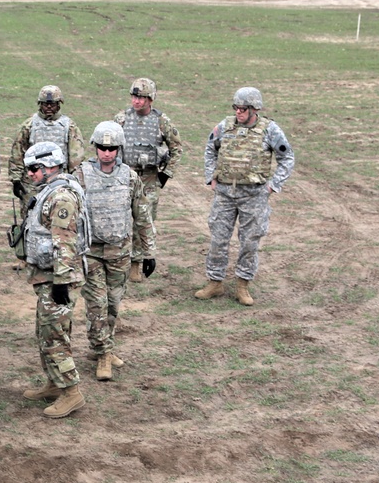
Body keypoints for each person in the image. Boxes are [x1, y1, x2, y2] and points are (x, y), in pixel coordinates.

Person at [195, 87, 294, 306]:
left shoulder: (270, 130)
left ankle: (243, 285)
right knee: (218, 239)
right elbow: (210, 149)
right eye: (236, 108)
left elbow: (287, 158)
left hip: (254, 196)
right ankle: (215, 281)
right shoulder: (225, 126)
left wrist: (273, 186)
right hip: (225, 194)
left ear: (254, 109)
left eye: (243, 109)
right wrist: (210, 176)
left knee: (249, 241)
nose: (238, 112)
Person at [73, 121, 156, 381]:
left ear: (119, 149)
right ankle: (104, 354)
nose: (106, 153)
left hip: (120, 252)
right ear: (95, 147)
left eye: (112, 148)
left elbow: (142, 216)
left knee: (113, 305)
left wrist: (148, 252)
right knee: (96, 304)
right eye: (102, 147)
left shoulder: (130, 177)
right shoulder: (81, 176)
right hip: (91, 253)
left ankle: (103, 345)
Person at [18, 142, 90, 418]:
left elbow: (65, 242)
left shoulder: (61, 197)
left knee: (55, 335)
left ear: (50, 166)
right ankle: (54, 382)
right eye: (29, 168)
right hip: (48, 275)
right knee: (45, 332)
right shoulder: (48, 192)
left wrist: (61, 281)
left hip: (59, 278)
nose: (30, 174)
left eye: (34, 168)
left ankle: (71, 391)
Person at [113, 78, 182, 282]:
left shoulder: (161, 121)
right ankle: (125, 260)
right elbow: (109, 145)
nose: (136, 101)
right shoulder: (122, 118)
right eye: (134, 96)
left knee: (145, 220)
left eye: (141, 97)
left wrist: (166, 174)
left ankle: (139, 261)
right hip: (126, 176)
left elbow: (177, 148)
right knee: (124, 219)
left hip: (149, 178)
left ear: (150, 99)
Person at [8, 85, 85, 211]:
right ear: (40, 104)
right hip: (32, 184)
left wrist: (75, 180)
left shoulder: (69, 127)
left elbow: (76, 156)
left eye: (53, 104)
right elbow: (18, 153)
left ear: (59, 104)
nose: (49, 107)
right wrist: (16, 180)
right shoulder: (29, 125)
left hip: (59, 181)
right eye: (45, 104)